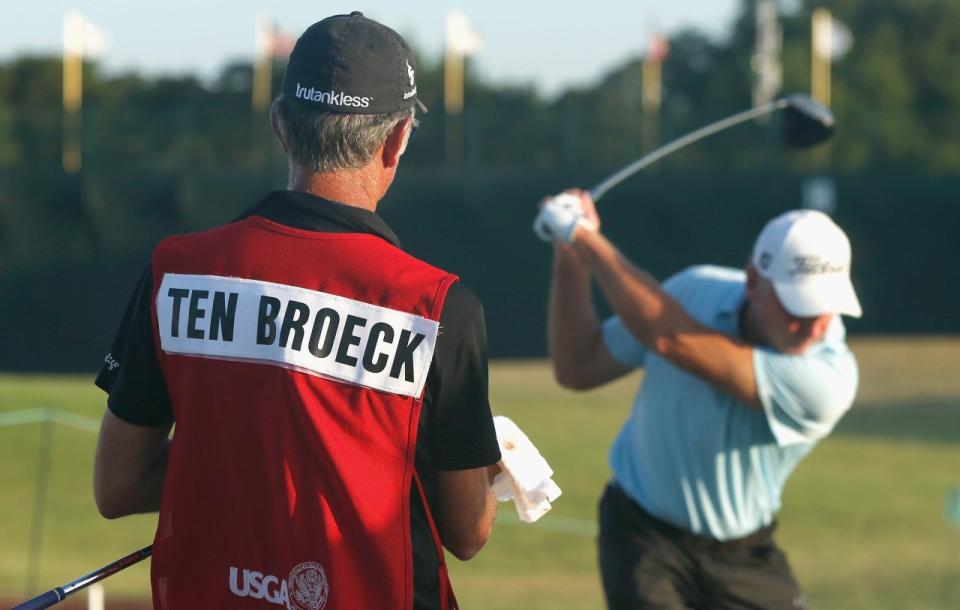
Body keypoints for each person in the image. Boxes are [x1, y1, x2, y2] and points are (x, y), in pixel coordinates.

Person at [93, 13, 500, 610]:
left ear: (281, 126)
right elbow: (469, 531)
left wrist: (250, 457)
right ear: (398, 139)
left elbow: (117, 484)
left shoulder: (174, 271)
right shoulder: (438, 306)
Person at [534, 190, 862, 610]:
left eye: (827, 308)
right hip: (644, 537)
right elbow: (578, 366)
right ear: (754, 283)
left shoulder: (829, 379)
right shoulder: (694, 291)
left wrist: (584, 237)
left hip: (745, 553)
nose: (814, 326)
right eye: (799, 307)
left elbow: (674, 339)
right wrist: (570, 256)